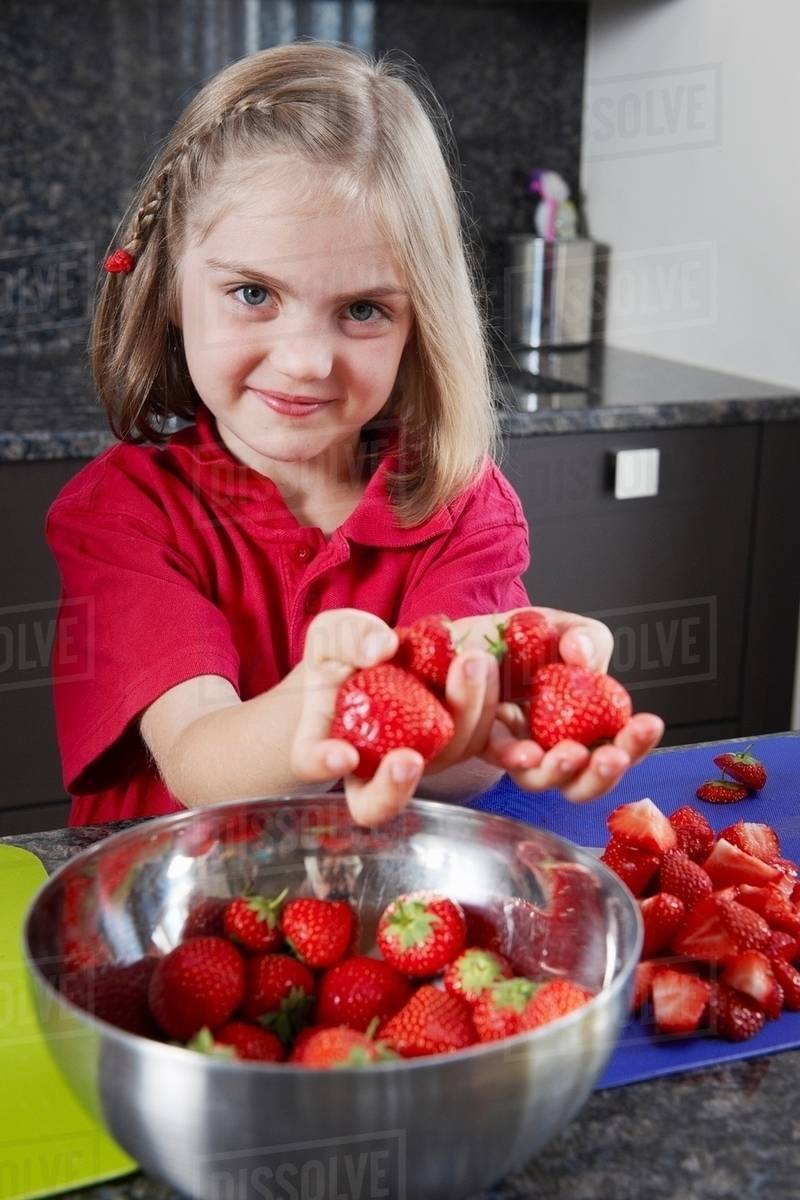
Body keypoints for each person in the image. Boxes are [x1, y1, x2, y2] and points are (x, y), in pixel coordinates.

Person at [45, 41, 664, 829]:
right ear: (169, 285)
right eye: (252, 292)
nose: (305, 362)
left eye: (363, 310)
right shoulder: (123, 515)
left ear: (421, 320)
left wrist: (496, 694)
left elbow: (461, 775)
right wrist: (344, 695)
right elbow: (200, 758)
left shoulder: (462, 502)